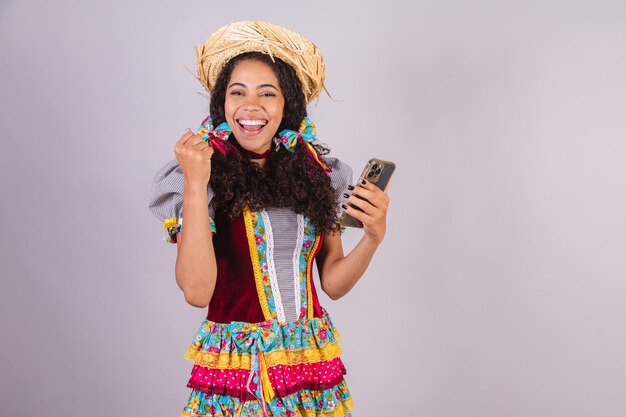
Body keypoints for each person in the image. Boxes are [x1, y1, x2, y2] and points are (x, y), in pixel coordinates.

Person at [148, 21, 391, 417]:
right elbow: (196, 292)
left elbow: (332, 282)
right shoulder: (201, 173)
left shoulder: (316, 172)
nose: (251, 106)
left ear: (287, 105)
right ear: (222, 104)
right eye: (237, 92)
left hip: (309, 364)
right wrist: (195, 184)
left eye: (267, 93)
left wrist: (373, 237)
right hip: (240, 371)